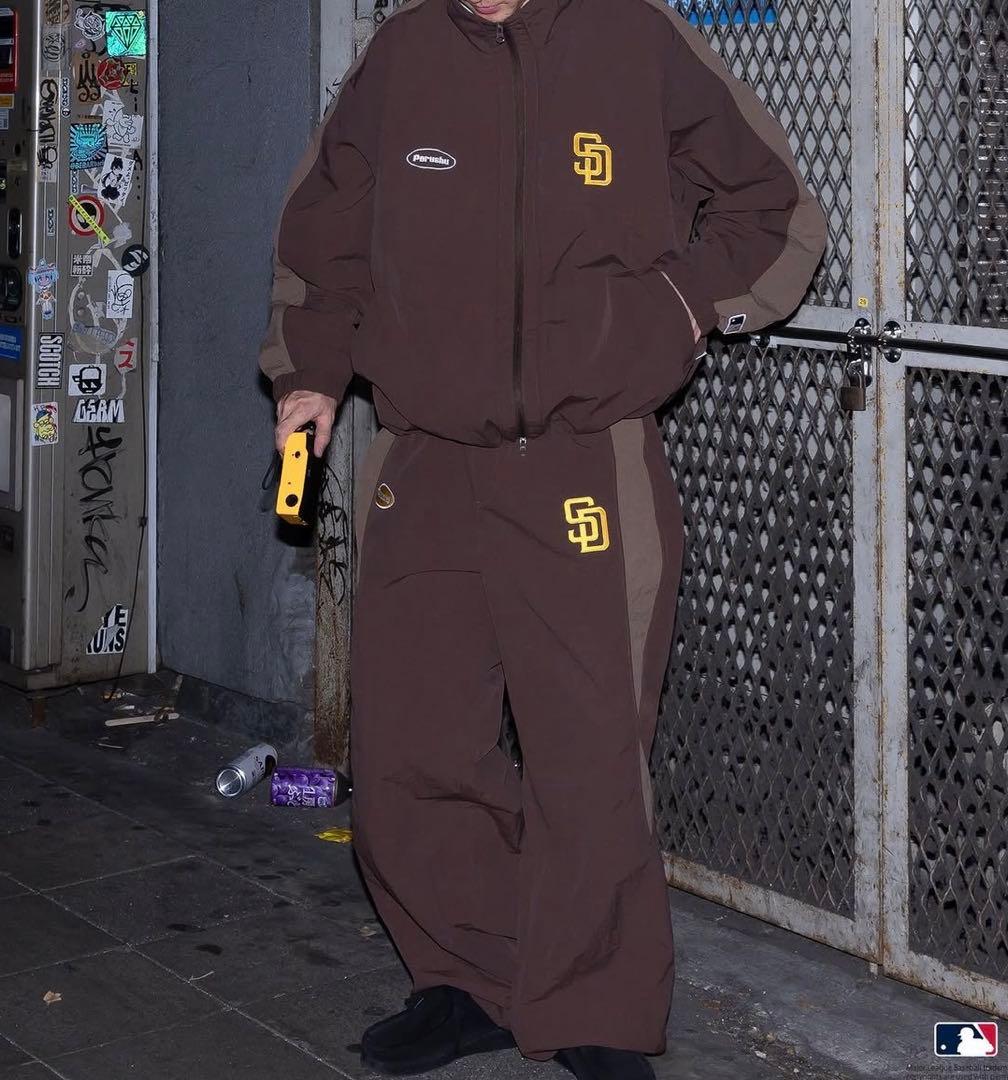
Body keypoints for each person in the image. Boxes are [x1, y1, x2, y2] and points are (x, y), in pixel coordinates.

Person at [258, 0, 826, 1076]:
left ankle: (595, 1009)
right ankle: (466, 978)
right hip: (425, 456)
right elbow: (323, 238)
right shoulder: (403, 54)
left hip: (587, 460)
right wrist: (310, 375)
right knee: (413, 744)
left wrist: (677, 309)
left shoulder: (634, 37)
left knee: (589, 750)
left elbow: (778, 208)